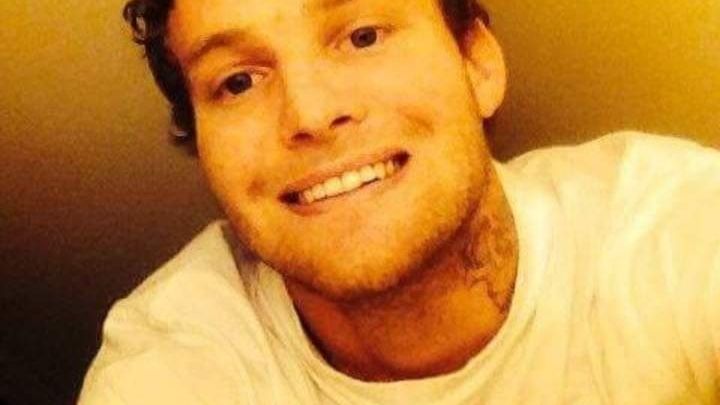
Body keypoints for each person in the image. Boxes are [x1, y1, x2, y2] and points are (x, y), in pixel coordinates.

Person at [79, 0, 720, 403]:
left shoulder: (671, 228)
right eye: (238, 81)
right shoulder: (171, 364)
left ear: (477, 63)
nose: (311, 112)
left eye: (363, 36)